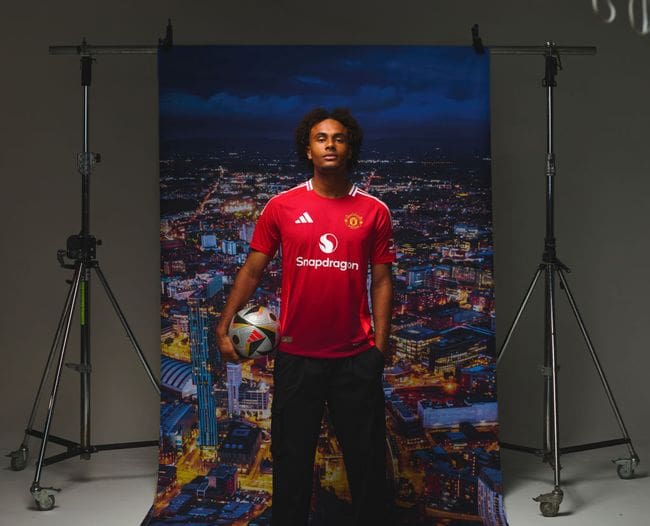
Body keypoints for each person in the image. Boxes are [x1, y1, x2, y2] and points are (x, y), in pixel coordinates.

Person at [216, 107, 395, 526]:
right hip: (297, 358)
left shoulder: (375, 211)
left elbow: (383, 281)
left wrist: (379, 350)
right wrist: (223, 325)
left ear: (350, 148)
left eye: (338, 137)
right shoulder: (282, 206)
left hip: (356, 359)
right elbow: (253, 269)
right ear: (307, 148)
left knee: (368, 469)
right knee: (291, 467)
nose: (330, 144)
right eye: (320, 138)